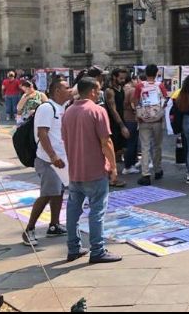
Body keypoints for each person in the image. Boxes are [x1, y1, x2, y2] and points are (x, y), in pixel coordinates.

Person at [62, 77, 122, 264]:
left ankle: (73, 248)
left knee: (73, 210)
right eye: (98, 90)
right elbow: (106, 142)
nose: (100, 93)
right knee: (97, 211)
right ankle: (97, 250)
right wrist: (113, 167)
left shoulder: (68, 111)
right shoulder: (97, 111)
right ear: (93, 91)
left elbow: (65, 141)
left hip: (75, 170)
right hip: (95, 170)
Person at [21, 77, 72, 247]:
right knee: (47, 194)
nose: (70, 90)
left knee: (58, 192)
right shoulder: (46, 108)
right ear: (57, 90)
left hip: (60, 159)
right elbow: (42, 134)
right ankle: (29, 229)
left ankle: (54, 225)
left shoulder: (61, 107)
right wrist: (53, 157)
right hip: (48, 160)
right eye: (67, 87)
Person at [133, 65, 169, 186]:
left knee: (145, 147)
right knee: (157, 146)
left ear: (146, 73)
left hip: (144, 120)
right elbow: (166, 99)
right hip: (157, 120)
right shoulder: (160, 85)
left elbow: (135, 100)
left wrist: (139, 112)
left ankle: (146, 174)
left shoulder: (139, 86)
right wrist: (159, 111)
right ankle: (158, 170)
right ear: (157, 73)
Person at [105, 69, 130, 177]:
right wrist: (122, 126)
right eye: (121, 78)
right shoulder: (110, 91)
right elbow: (113, 110)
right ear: (114, 77)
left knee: (123, 148)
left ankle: (112, 169)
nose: (123, 80)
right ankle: (110, 171)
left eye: (124, 78)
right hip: (113, 122)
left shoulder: (121, 89)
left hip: (121, 119)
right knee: (114, 149)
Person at [121, 73, 142, 175]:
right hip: (132, 119)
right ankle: (128, 166)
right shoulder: (132, 90)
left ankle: (130, 164)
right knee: (132, 143)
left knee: (128, 142)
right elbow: (134, 106)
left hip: (124, 118)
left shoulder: (123, 89)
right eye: (137, 80)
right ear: (132, 80)